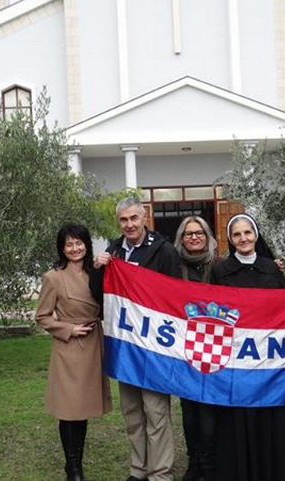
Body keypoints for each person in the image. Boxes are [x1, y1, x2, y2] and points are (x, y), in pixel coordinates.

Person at [93, 196, 182, 481]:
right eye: (123, 220)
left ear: (144, 218)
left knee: (156, 411)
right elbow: (99, 298)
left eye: (134, 218)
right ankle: (139, 468)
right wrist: (98, 269)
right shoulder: (114, 252)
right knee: (132, 411)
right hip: (125, 345)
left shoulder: (164, 251)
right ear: (118, 222)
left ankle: (160, 473)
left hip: (154, 346)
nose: (129, 224)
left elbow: (175, 297)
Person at [210, 213, 285, 481]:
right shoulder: (220, 271)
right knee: (239, 418)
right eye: (237, 235)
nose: (243, 239)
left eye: (247, 233)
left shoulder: (271, 268)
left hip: (271, 361)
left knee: (272, 415)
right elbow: (214, 312)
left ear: (256, 235)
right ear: (230, 239)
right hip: (238, 362)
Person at [36, 223, 113, 481]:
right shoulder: (53, 278)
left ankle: (74, 465)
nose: (74, 248)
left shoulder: (96, 272)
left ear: (87, 244)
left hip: (93, 346)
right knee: (70, 411)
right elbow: (42, 317)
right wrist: (69, 328)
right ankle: (74, 468)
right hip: (69, 350)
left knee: (82, 410)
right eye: (68, 244)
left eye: (79, 243)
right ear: (62, 248)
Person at [173, 216, 219, 481]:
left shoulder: (220, 265)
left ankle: (211, 464)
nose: (193, 237)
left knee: (209, 407)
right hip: (183, 348)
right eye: (188, 233)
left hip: (215, 347)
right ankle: (195, 462)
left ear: (207, 235)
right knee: (189, 409)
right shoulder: (173, 267)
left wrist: (273, 266)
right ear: (182, 237)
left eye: (198, 232)